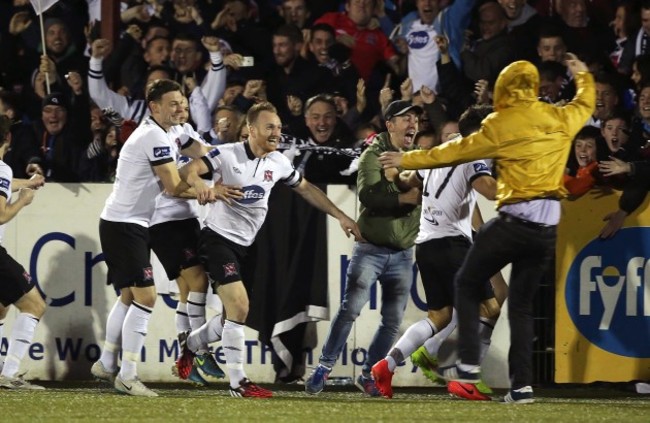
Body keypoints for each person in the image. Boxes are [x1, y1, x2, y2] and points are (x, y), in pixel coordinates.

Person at [378, 54, 595, 404]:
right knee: (511, 305)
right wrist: (582, 75)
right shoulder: (560, 116)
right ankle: (514, 386)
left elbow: (444, 160)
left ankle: (445, 368)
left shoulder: (497, 126)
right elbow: (585, 103)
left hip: (465, 233)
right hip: (545, 226)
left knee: (456, 299)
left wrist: (408, 158)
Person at [176, 101, 361, 398]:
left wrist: (341, 215)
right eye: (269, 127)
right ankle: (238, 383)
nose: (277, 132)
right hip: (217, 240)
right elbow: (189, 169)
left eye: (278, 127)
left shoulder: (278, 162)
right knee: (239, 307)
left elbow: (307, 189)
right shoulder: (226, 154)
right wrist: (201, 184)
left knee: (231, 317)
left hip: (249, 246)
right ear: (251, 130)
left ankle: (191, 345)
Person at [90, 79, 218, 397]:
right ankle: (128, 374)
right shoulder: (153, 136)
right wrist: (210, 190)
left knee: (130, 296)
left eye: (182, 102)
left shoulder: (174, 131)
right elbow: (174, 187)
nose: (180, 108)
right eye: (172, 103)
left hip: (130, 223)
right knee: (147, 298)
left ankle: (106, 363)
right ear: (154, 107)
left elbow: (203, 151)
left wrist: (226, 161)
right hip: (124, 225)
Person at [371, 104, 502, 401]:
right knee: (490, 308)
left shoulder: (440, 152)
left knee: (440, 317)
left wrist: (393, 172)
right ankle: (466, 377)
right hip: (453, 244)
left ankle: (386, 365)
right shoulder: (472, 153)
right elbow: (490, 190)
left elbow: (408, 182)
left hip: (427, 245)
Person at [304, 100, 422, 397]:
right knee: (350, 310)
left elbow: (425, 192)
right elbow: (369, 195)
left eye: (415, 120)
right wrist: (402, 197)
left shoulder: (419, 156)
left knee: (392, 321)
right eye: (405, 119)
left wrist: (399, 181)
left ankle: (371, 373)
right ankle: (324, 367)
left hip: (403, 252)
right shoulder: (374, 154)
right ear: (389, 124)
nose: (412, 124)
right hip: (370, 249)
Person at [0, 115, 46, 389]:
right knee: (34, 305)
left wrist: (27, 183)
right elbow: (1, 215)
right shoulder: (2, 169)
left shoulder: (4, 173)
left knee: (1, 308)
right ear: (8, 139)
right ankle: (10, 374)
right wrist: (23, 201)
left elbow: (5, 182)